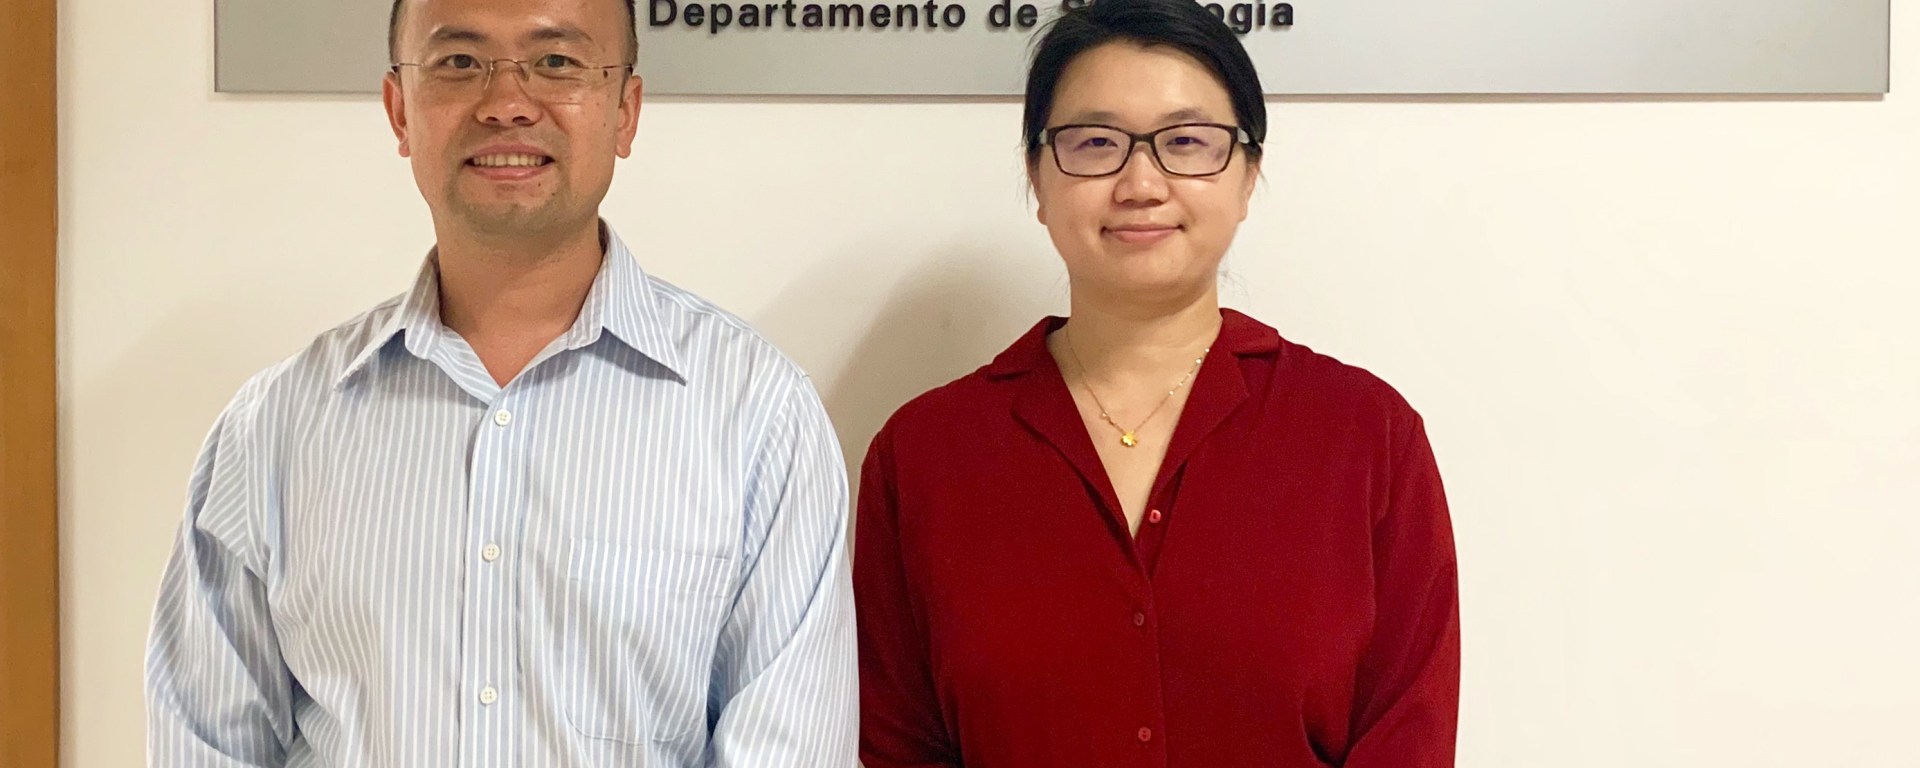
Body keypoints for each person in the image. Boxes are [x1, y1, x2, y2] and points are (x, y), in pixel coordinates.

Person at [142, 0, 857, 764]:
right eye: (459, 62)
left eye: (556, 63)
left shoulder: (756, 416)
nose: (507, 103)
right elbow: (206, 744)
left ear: (625, 111)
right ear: (399, 110)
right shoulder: (274, 429)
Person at [853, 0, 1461, 765]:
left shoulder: (1364, 436)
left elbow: (1408, 736)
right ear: (1037, 177)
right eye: (1095, 142)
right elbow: (899, 743)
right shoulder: (926, 455)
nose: (1141, 183)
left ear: (1247, 175)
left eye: (1186, 142)